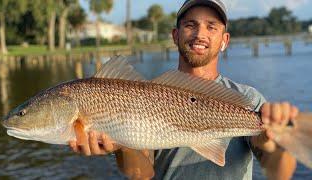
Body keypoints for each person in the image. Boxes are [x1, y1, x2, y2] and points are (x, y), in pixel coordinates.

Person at [69, 0, 298, 179]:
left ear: (225, 40)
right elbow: (142, 175)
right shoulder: (144, 97)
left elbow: (281, 173)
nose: (200, 34)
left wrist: (269, 141)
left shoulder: (248, 99)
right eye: (190, 25)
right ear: (175, 35)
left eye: (211, 27)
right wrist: (120, 146)